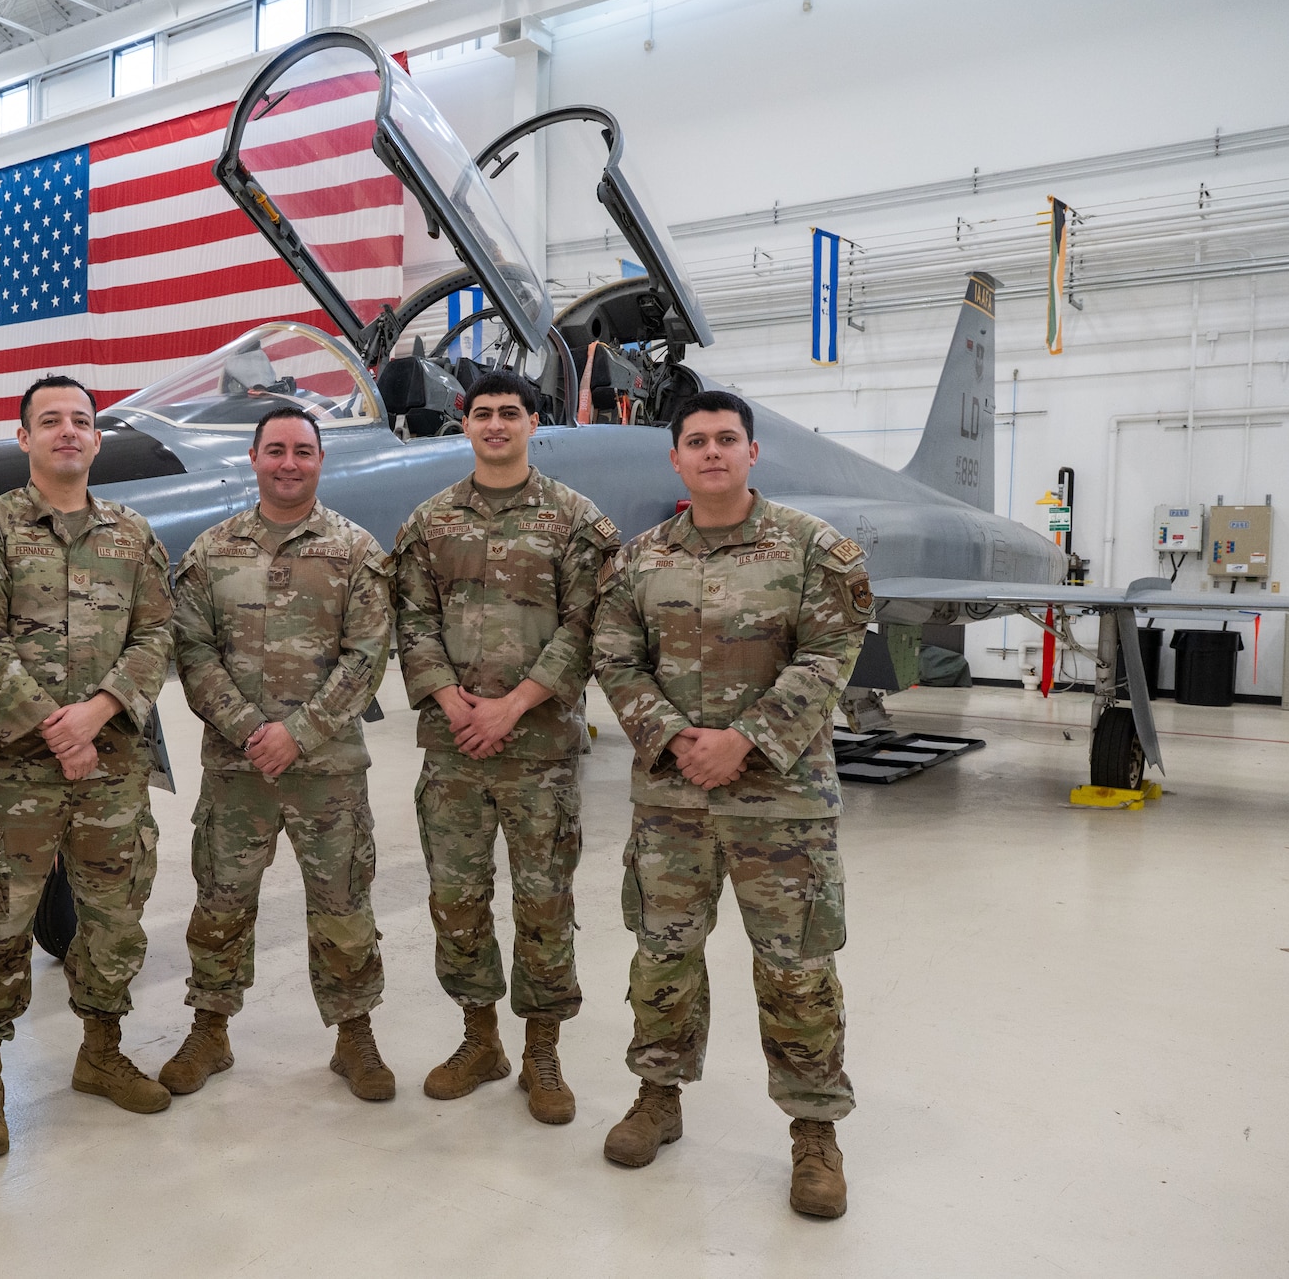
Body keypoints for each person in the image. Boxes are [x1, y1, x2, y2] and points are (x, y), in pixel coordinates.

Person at [592, 388, 872, 1218]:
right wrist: (676, 737)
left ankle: (815, 1131)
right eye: (696, 440)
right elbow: (615, 658)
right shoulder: (638, 561)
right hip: (670, 800)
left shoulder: (814, 550)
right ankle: (658, 1096)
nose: (711, 451)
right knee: (662, 956)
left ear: (752, 451)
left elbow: (828, 656)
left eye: (726, 438)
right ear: (675, 458)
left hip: (781, 805)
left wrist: (744, 739)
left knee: (797, 969)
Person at [0, 374, 175, 1159]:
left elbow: (156, 635)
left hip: (113, 768)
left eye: (80, 420)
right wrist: (55, 726)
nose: (67, 430)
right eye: (50, 420)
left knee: (115, 917)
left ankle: (100, 1052)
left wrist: (97, 713)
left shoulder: (133, 535)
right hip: (16, 774)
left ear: (97, 439)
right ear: (25, 438)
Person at [392, 370, 620, 1124]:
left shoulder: (574, 521)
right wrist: (451, 700)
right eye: (483, 413)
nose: (496, 424)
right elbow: (412, 620)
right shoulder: (430, 522)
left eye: (510, 413)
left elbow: (587, 626)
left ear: (533, 423)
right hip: (453, 746)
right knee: (456, 900)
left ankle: (542, 1050)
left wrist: (514, 706)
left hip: (540, 750)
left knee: (544, 902)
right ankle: (480, 1038)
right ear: (466, 424)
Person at [158, 406, 398, 1102]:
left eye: (302, 450)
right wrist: (248, 729)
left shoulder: (356, 552)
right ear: (255, 459)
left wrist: (300, 732)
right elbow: (192, 652)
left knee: (343, 904)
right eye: (276, 450)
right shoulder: (211, 552)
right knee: (221, 901)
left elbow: (367, 655)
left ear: (320, 460)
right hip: (238, 772)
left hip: (328, 771)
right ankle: (210, 1028)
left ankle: (355, 1035)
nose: (288, 463)